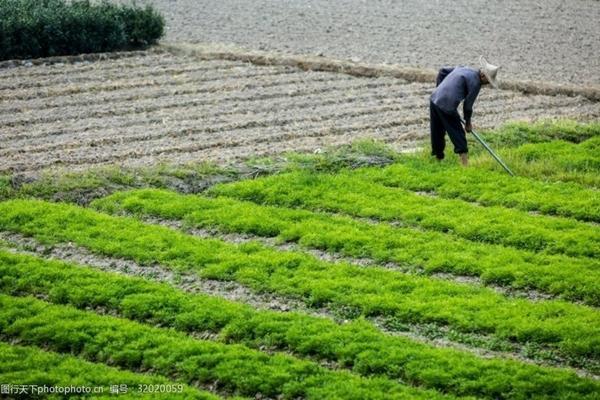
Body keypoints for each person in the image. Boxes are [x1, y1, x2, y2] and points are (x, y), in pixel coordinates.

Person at [429, 56, 499, 166]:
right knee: (458, 133)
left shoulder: (464, 68)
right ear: (483, 75)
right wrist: (468, 123)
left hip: (434, 99)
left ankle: (438, 159)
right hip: (447, 105)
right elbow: (468, 106)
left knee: (437, 130)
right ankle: (464, 164)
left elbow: (442, 71)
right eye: (488, 80)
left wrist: (439, 89)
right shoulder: (476, 83)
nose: (488, 83)